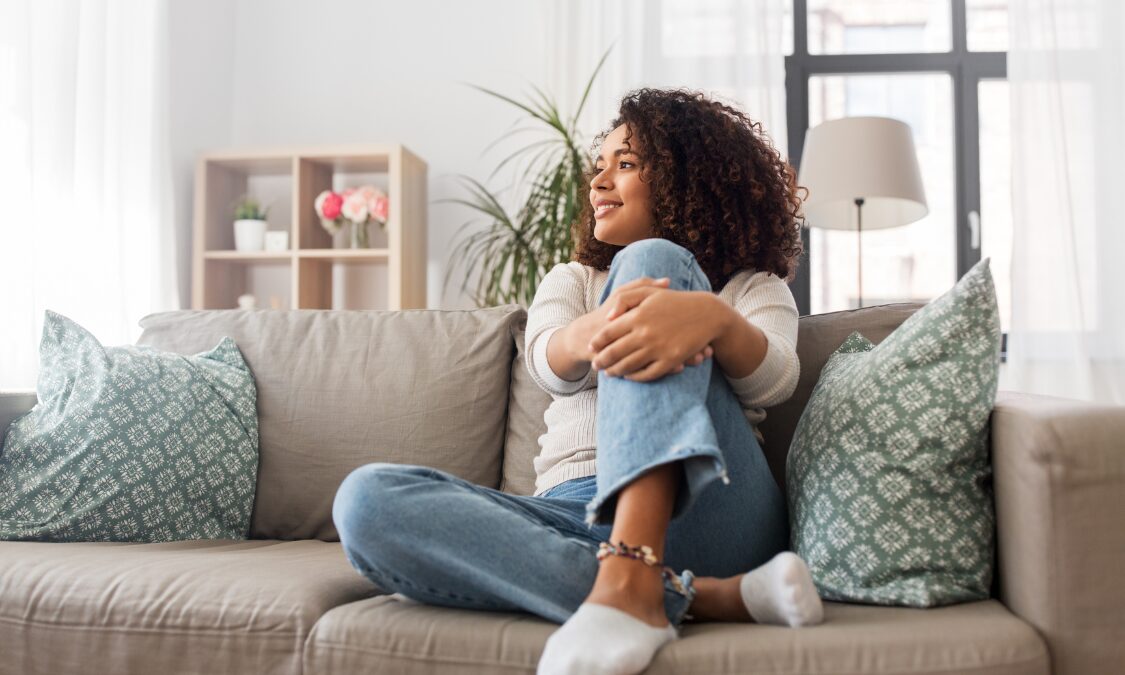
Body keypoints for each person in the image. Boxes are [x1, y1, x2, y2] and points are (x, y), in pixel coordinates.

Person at [332, 87, 825, 675]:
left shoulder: (751, 287)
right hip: (574, 517)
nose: (598, 182)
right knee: (366, 503)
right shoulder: (572, 279)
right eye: (600, 166)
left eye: (626, 163)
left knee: (651, 262)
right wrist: (602, 328)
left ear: (690, 177)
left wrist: (713, 320)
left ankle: (633, 577)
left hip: (710, 509)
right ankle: (690, 595)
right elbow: (547, 362)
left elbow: (774, 382)